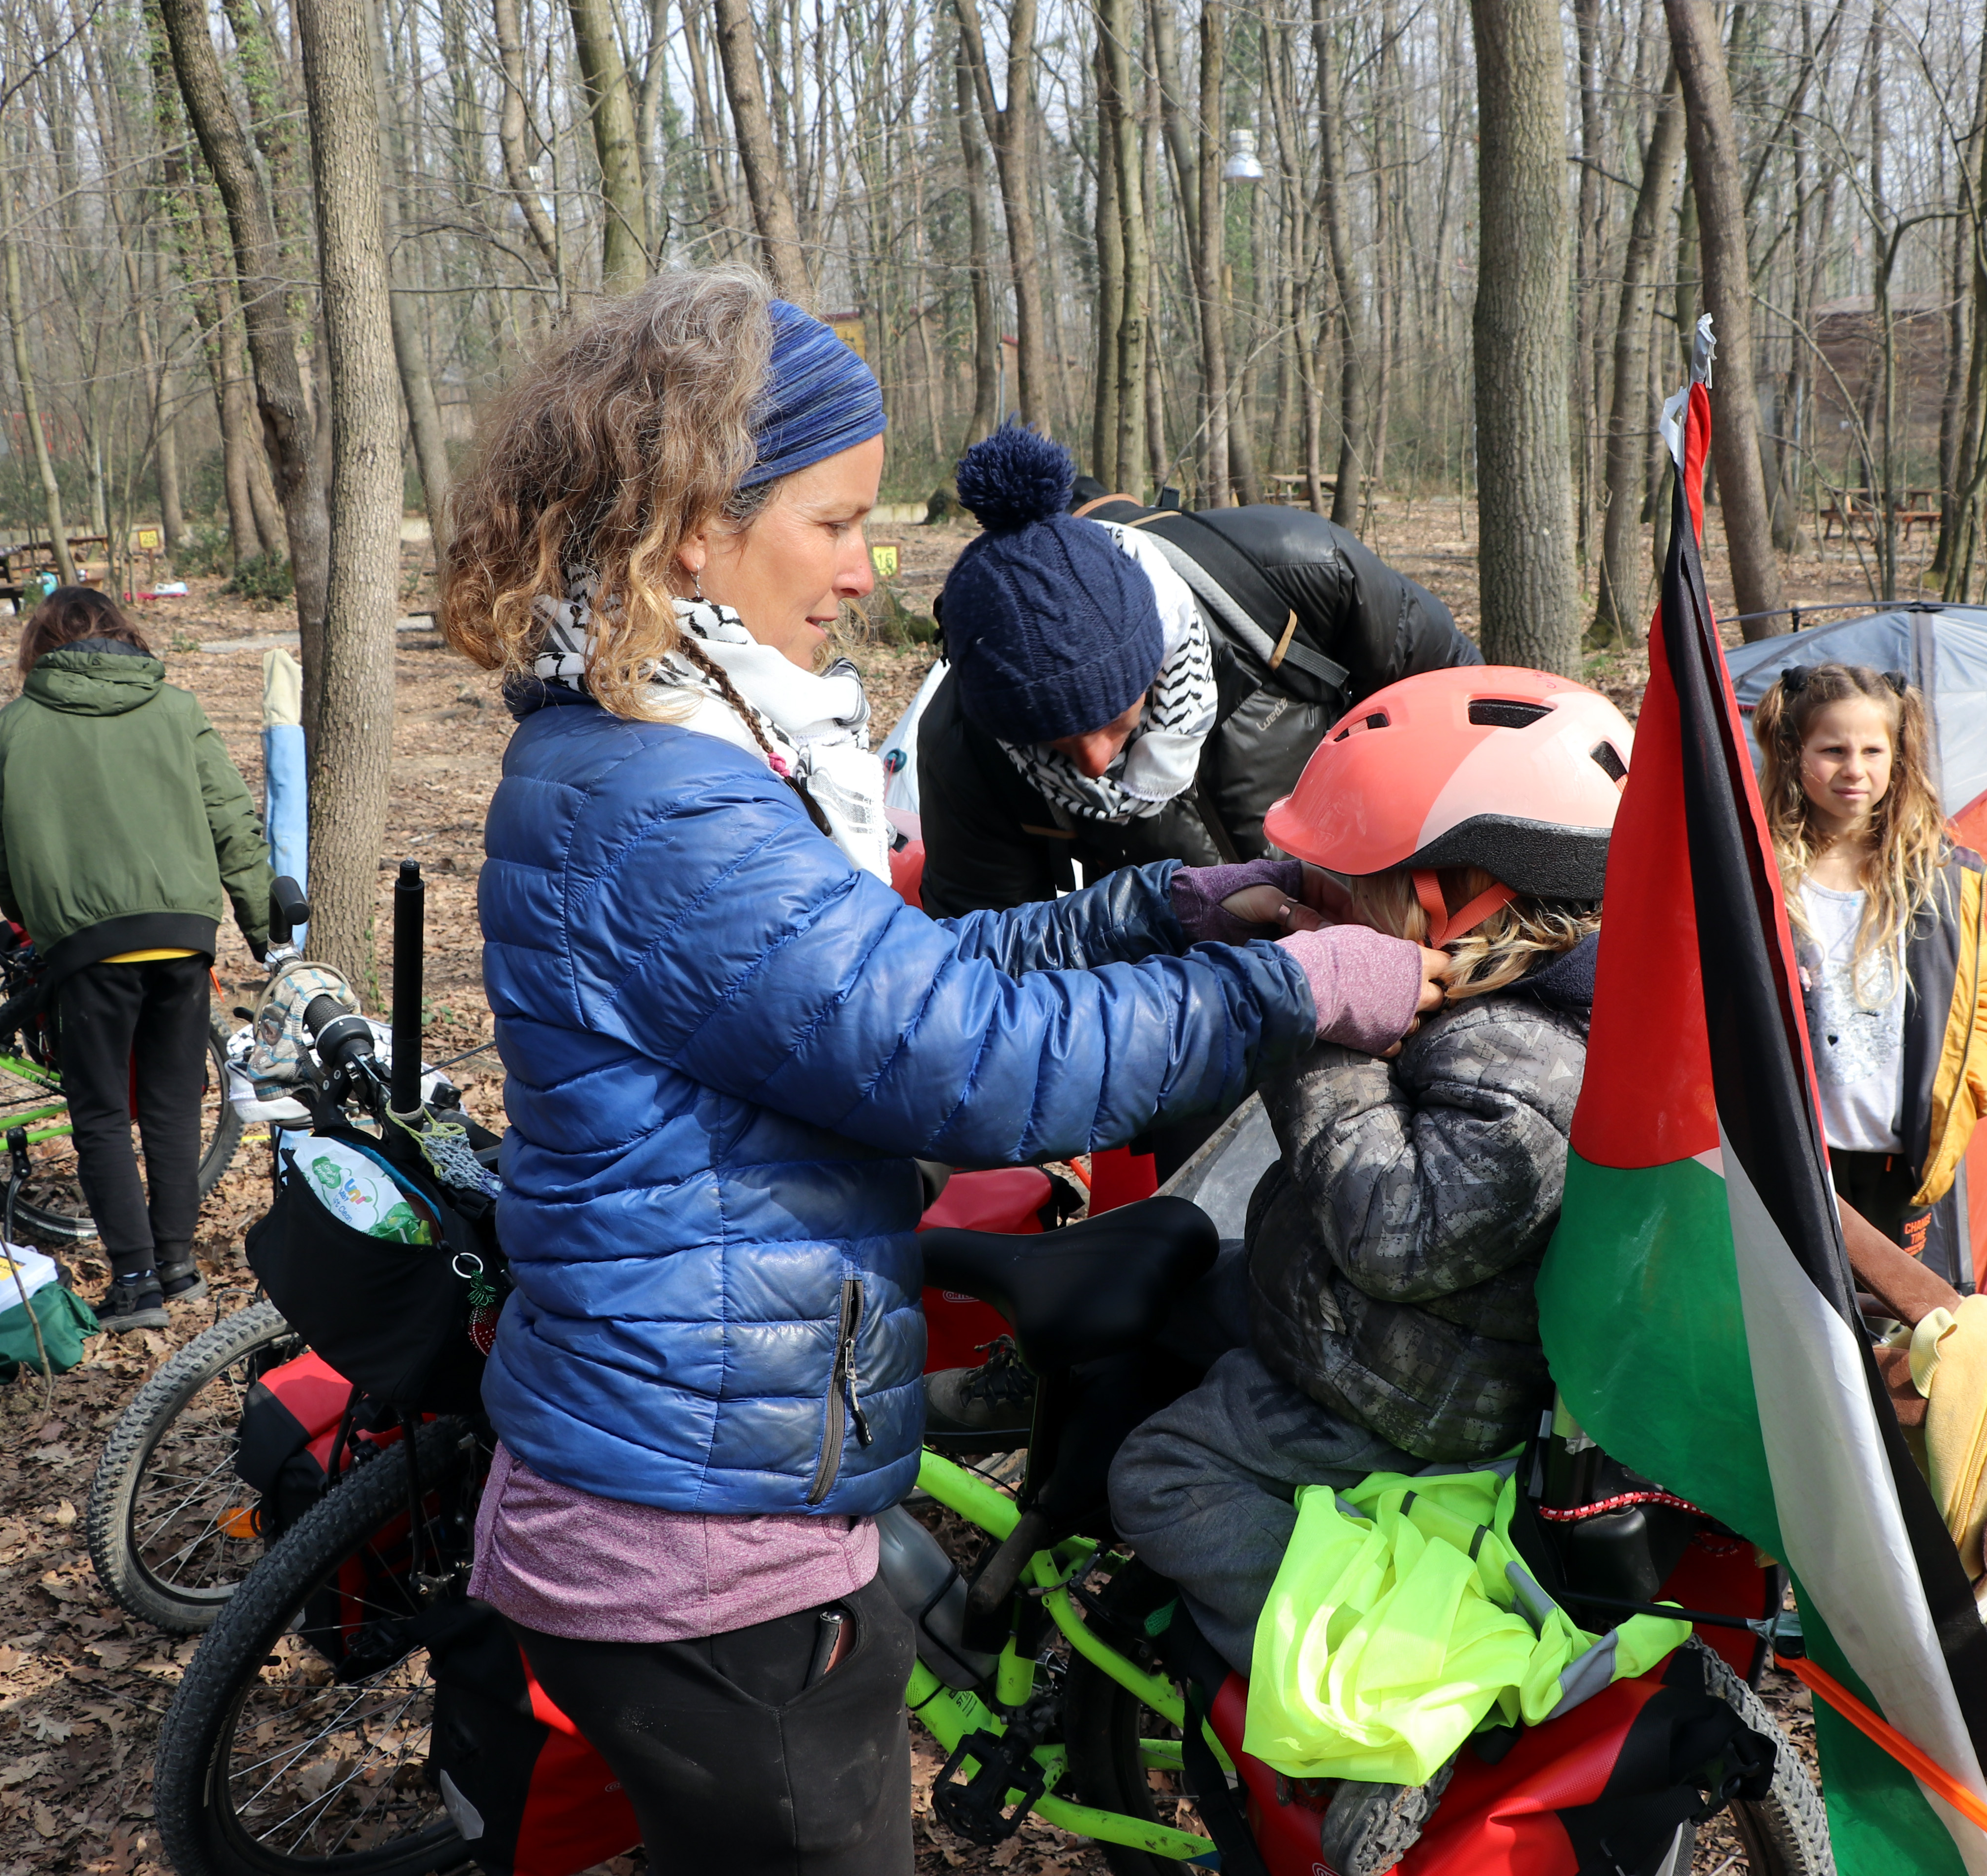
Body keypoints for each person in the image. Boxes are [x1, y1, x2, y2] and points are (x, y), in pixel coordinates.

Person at [435, 266, 1450, 1876]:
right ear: (697, 526)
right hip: (710, 1536)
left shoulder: (679, 745)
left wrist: (1172, 902)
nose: (866, 570)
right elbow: (957, 1061)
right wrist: (1285, 984)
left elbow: (899, 980)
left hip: (722, 1476)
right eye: (834, 523)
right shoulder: (666, 801)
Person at [1108, 666, 1631, 1876]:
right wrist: (1254, 903)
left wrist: (1319, 1029)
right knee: (1168, 1276)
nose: (1322, 901)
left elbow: (1391, 1233)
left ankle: (1377, 1704)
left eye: (1351, 884)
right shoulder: (1494, 979)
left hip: (1406, 1398)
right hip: (1363, 1327)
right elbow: (1320, 904)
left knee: (1157, 1471)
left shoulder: (1527, 1072)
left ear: (1460, 898)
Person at [913, 425, 1479, 922]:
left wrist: (1429, 902)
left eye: (1111, 720)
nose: (1090, 761)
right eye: (1052, 743)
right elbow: (1001, 963)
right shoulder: (966, 744)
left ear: (1154, 657)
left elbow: (1470, 722)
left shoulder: (1299, 569)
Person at [0, 587, 272, 1331]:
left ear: (40, 644)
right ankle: (180, 1267)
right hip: (182, 935)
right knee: (171, 1107)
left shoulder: (16, 724)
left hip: (86, 947)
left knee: (100, 1115)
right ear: (123, 633)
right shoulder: (176, 709)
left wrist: (35, 917)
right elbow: (233, 820)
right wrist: (264, 926)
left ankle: (135, 1286)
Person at [1751, 661, 1987, 1289]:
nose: (1853, 768)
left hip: (1901, 1160)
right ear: (1794, 751)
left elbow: (1981, 1002)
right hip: (1798, 1155)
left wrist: (1964, 1100)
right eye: (1832, 749)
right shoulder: (1763, 875)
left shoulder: (1943, 879)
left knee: (1893, 1326)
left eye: (1871, 749)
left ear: (1898, 756)